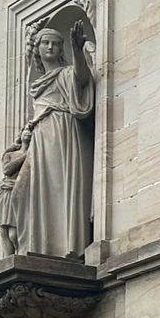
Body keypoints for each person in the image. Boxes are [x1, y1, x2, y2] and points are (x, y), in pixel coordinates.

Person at [6, 20, 95, 258]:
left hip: (62, 135)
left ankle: (63, 245)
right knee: (24, 192)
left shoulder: (66, 73)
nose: (50, 47)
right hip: (40, 139)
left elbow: (82, 80)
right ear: (37, 49)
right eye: (45, 43)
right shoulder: (37, 84)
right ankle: (37, 244)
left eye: (56, 44)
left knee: (59, 187)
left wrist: (77, 51)